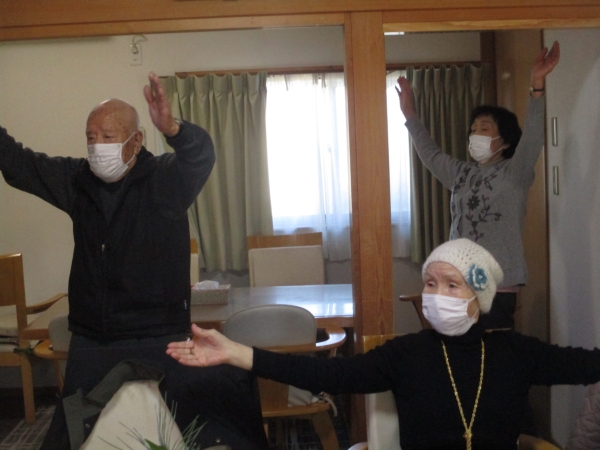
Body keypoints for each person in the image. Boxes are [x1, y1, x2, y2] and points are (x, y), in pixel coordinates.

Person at [167, 238, 600, 450]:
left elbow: (586, 365)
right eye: (430, 283)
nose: (436, 295)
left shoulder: (517, 354)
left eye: (452, 285)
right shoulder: (406, 355)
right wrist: (236, 353)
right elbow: (325, 373)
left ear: (479, 297)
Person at [0, 72, 216, 449]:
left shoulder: (165, 178)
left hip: (158, 335)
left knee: (178, 434)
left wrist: (173, 129)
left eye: (108, 136)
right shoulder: (78, 180)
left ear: (136, 141)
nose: (97, 146)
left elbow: (201, 156)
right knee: (71, 434)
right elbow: (20, 165)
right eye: (90, 137)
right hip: (94, 338)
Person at [396, 42, 561, 330]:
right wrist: (410, 115)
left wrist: (537, 85)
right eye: (473, 129)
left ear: (505, 140)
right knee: (459, 352)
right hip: (458, 285)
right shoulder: (462, 173)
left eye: (484, 128)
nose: (475, 134)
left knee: (492, 351)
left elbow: (534, 137)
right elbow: (430, 154)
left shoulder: (515, 172)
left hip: (497, 286)